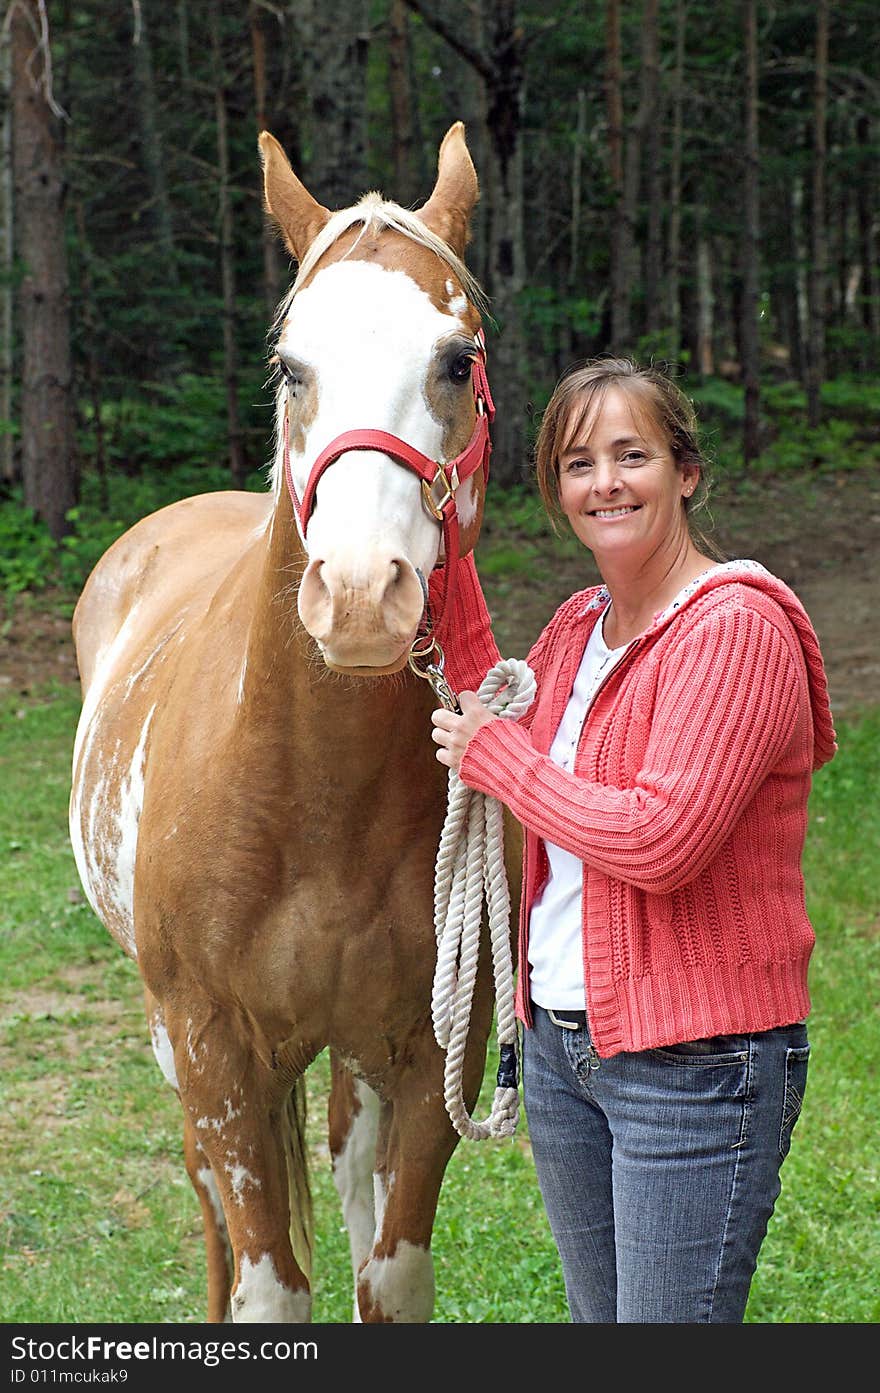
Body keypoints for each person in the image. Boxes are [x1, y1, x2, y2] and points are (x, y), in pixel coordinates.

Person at [431, 357, 837, 1324]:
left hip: (696, 1063)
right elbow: (508, 715)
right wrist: (442, 557)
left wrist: (500, 762)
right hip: (566, 1048)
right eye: (578, 463)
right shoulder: (582, 623)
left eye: (631, 455)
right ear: (557, 491)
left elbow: (661, 839)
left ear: (685, 472)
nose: (603, 482)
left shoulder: (734, 628)